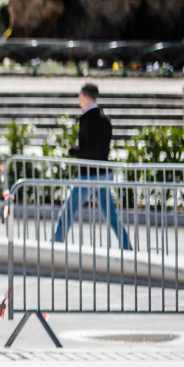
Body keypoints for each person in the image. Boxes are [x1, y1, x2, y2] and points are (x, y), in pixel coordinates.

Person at [53, 83, 133, 250]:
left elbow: (91, 150)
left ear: (83, 95)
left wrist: (72, 151)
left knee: (66, 214)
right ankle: (128, 248)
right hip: (103, 173)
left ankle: (54, 249)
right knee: (111, 216)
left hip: (89, 174)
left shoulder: (90, 119)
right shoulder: (104, 117)